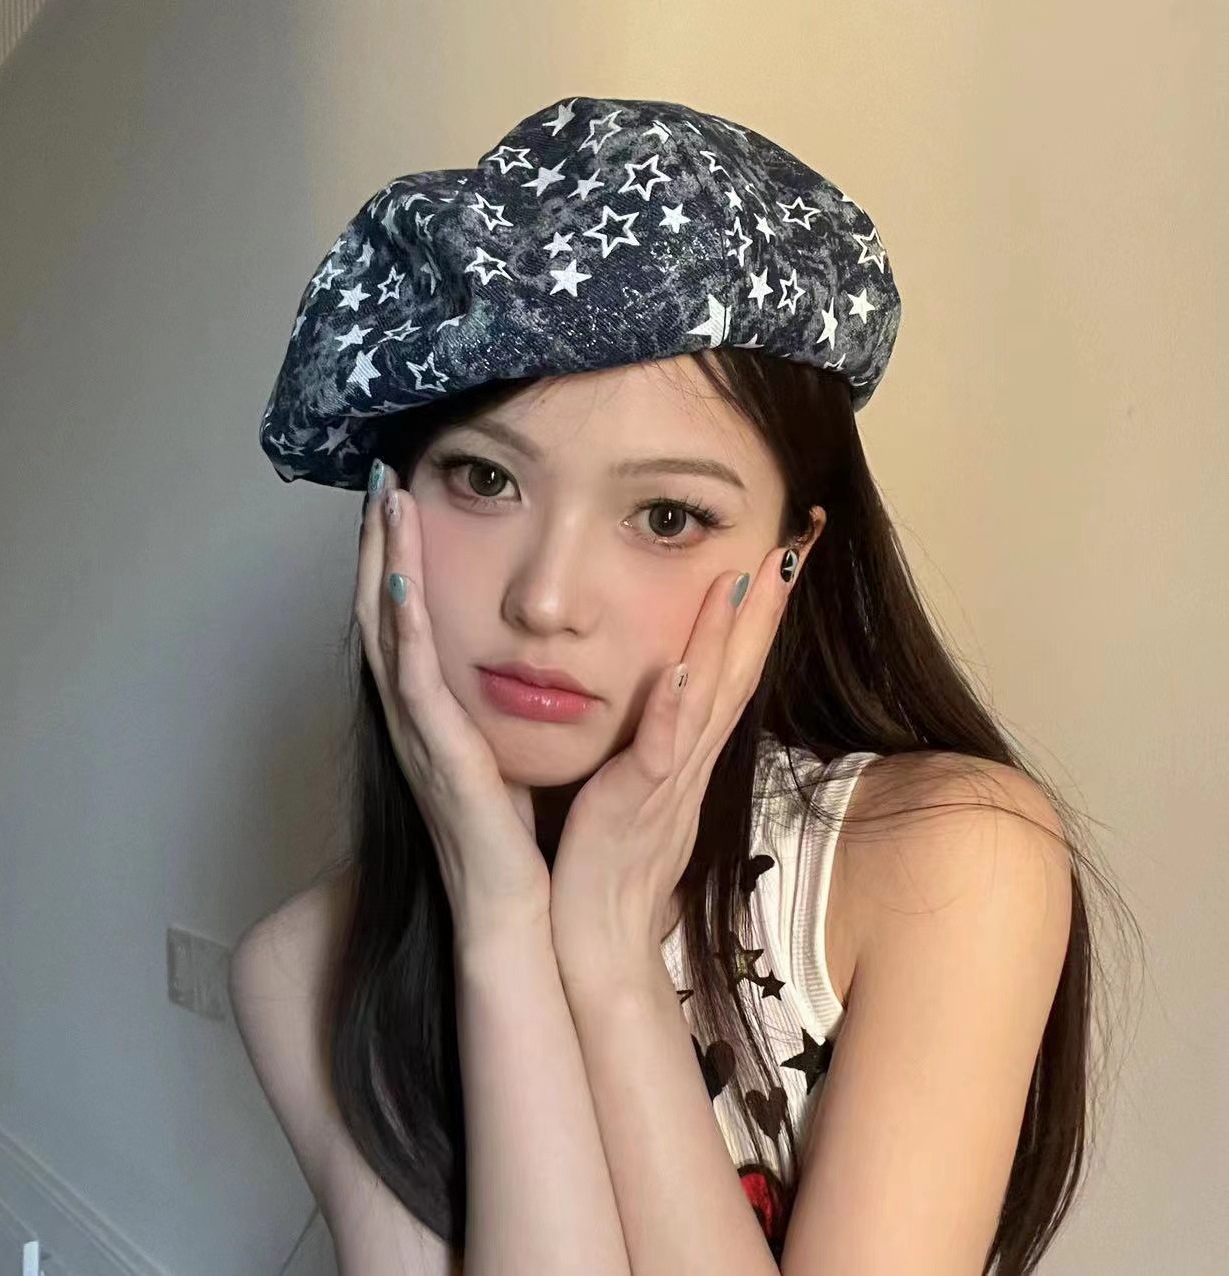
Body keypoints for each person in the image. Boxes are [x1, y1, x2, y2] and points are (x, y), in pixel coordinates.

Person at [231, 94, 1137, 1275]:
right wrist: (502, 925)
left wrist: (609, 954)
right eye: (484, 479)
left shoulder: (943, 865)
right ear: (385, 509)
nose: (546, 599)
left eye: (666, 515)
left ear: (790, 560)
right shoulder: (304, 970)